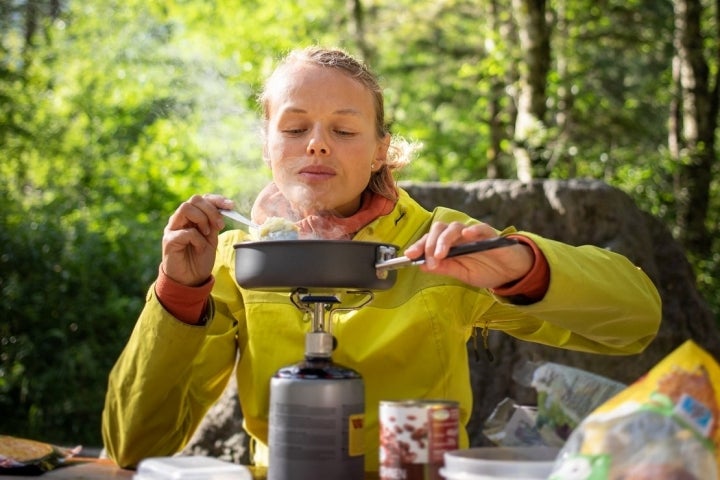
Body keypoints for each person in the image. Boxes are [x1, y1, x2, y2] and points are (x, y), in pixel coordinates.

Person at [101, 46, 662, 472]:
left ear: (378, 152)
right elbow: (133, 446)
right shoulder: (237, 259)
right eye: (295, 128)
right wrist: (179, 294)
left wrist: (522, 266)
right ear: (267, 145)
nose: (316, 144)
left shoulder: (440, 245)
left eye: (344, 129)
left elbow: (636, 321)